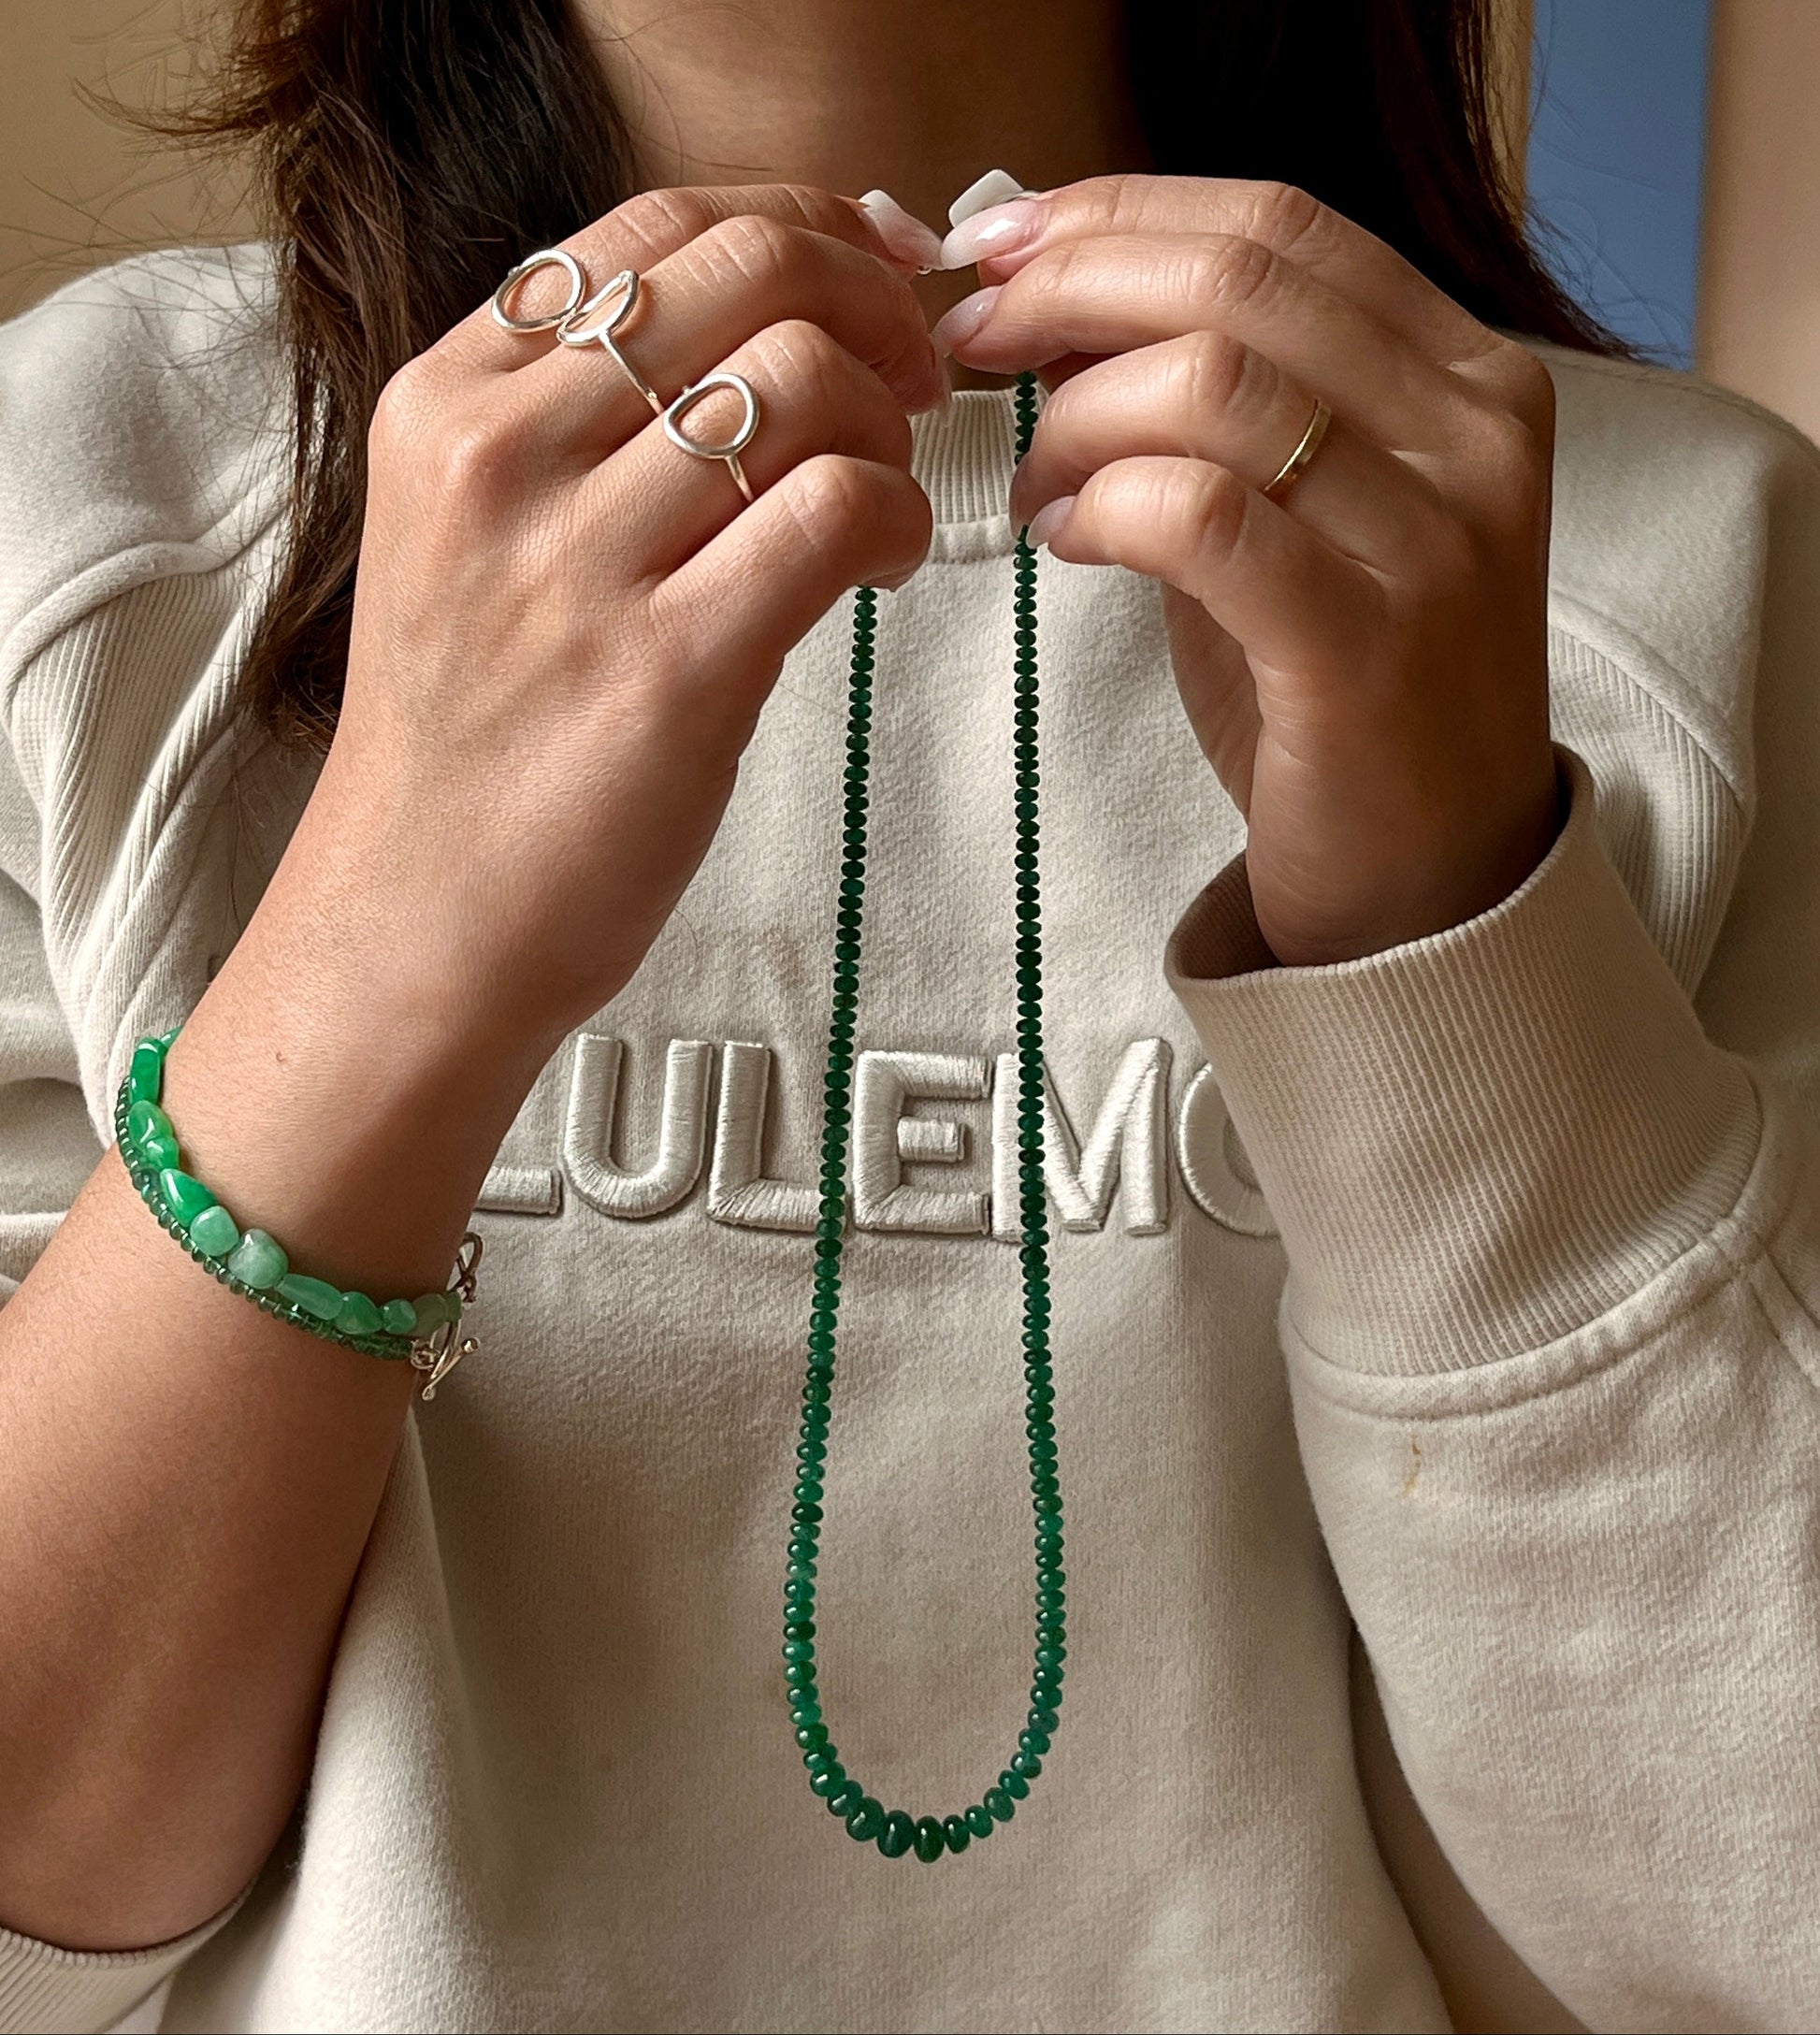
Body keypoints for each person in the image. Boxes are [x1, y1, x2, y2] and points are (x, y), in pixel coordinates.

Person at [1, 0, 1816, 2028]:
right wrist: (384, 947)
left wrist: (1457, 938)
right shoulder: (79, 504)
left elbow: (1740, 1914)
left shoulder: (1698, 576)